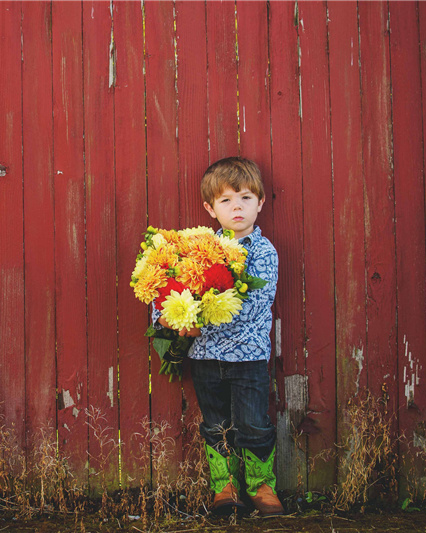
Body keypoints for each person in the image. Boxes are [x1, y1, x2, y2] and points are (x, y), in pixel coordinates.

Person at [152, 157, 283, 517]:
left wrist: (196, 320)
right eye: (225, 200)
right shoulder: (195, 249)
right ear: (210, 208)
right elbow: (167, 289)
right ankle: (223, 487)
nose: (236, 207)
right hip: (206, 358)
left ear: (260, 202)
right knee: (215, 424)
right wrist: (170, 319)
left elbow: (251, 308)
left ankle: (261, 485)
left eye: (244, 197)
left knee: (254, 423)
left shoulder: (262, 252)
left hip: (249, 358)